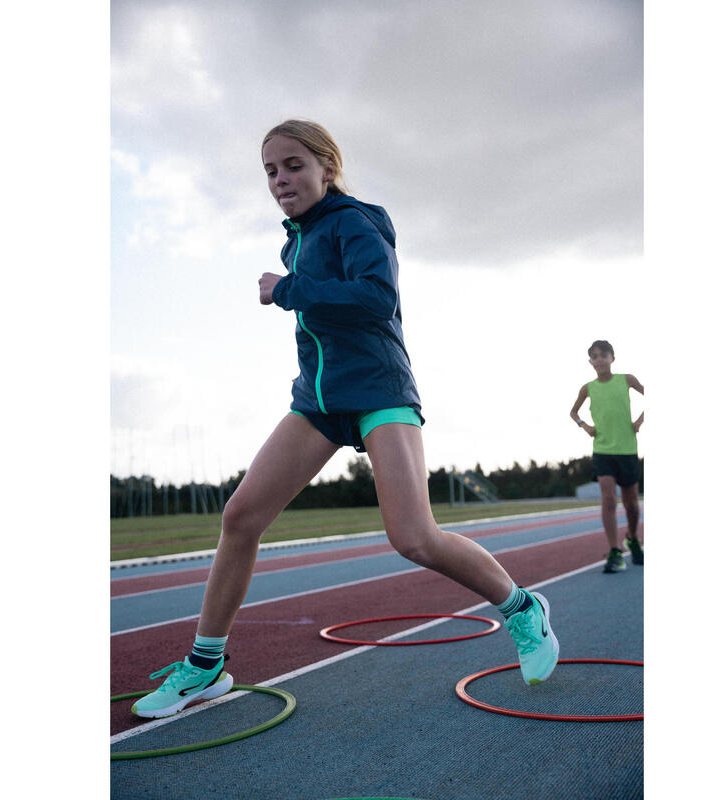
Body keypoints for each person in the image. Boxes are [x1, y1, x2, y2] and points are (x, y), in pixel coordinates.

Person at [130, 120, 559, 719]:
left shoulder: (357, 221)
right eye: (270, 171)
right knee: (241, 515)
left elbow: (375, 297)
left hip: (380, 389)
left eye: (293, 165)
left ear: (327, 168)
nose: (281, 179)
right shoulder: (295, 240)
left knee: (414, 538)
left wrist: (287, 291)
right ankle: (204, 666)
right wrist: (296, 289)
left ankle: (520, 609)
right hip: (318, 400)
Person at [570, 340, 644, 573]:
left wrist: (640, 421)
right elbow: (573, 412)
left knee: (631, 504)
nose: (599, 359)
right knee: (609, 499)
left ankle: (632, 536)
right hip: (602, 450)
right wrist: (585, 426)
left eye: (603, 355)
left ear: (612, 358)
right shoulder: (588, 388)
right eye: (594, 356)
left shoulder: (627, 380)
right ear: (590, 362)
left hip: (627, 450)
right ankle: (615, 551)